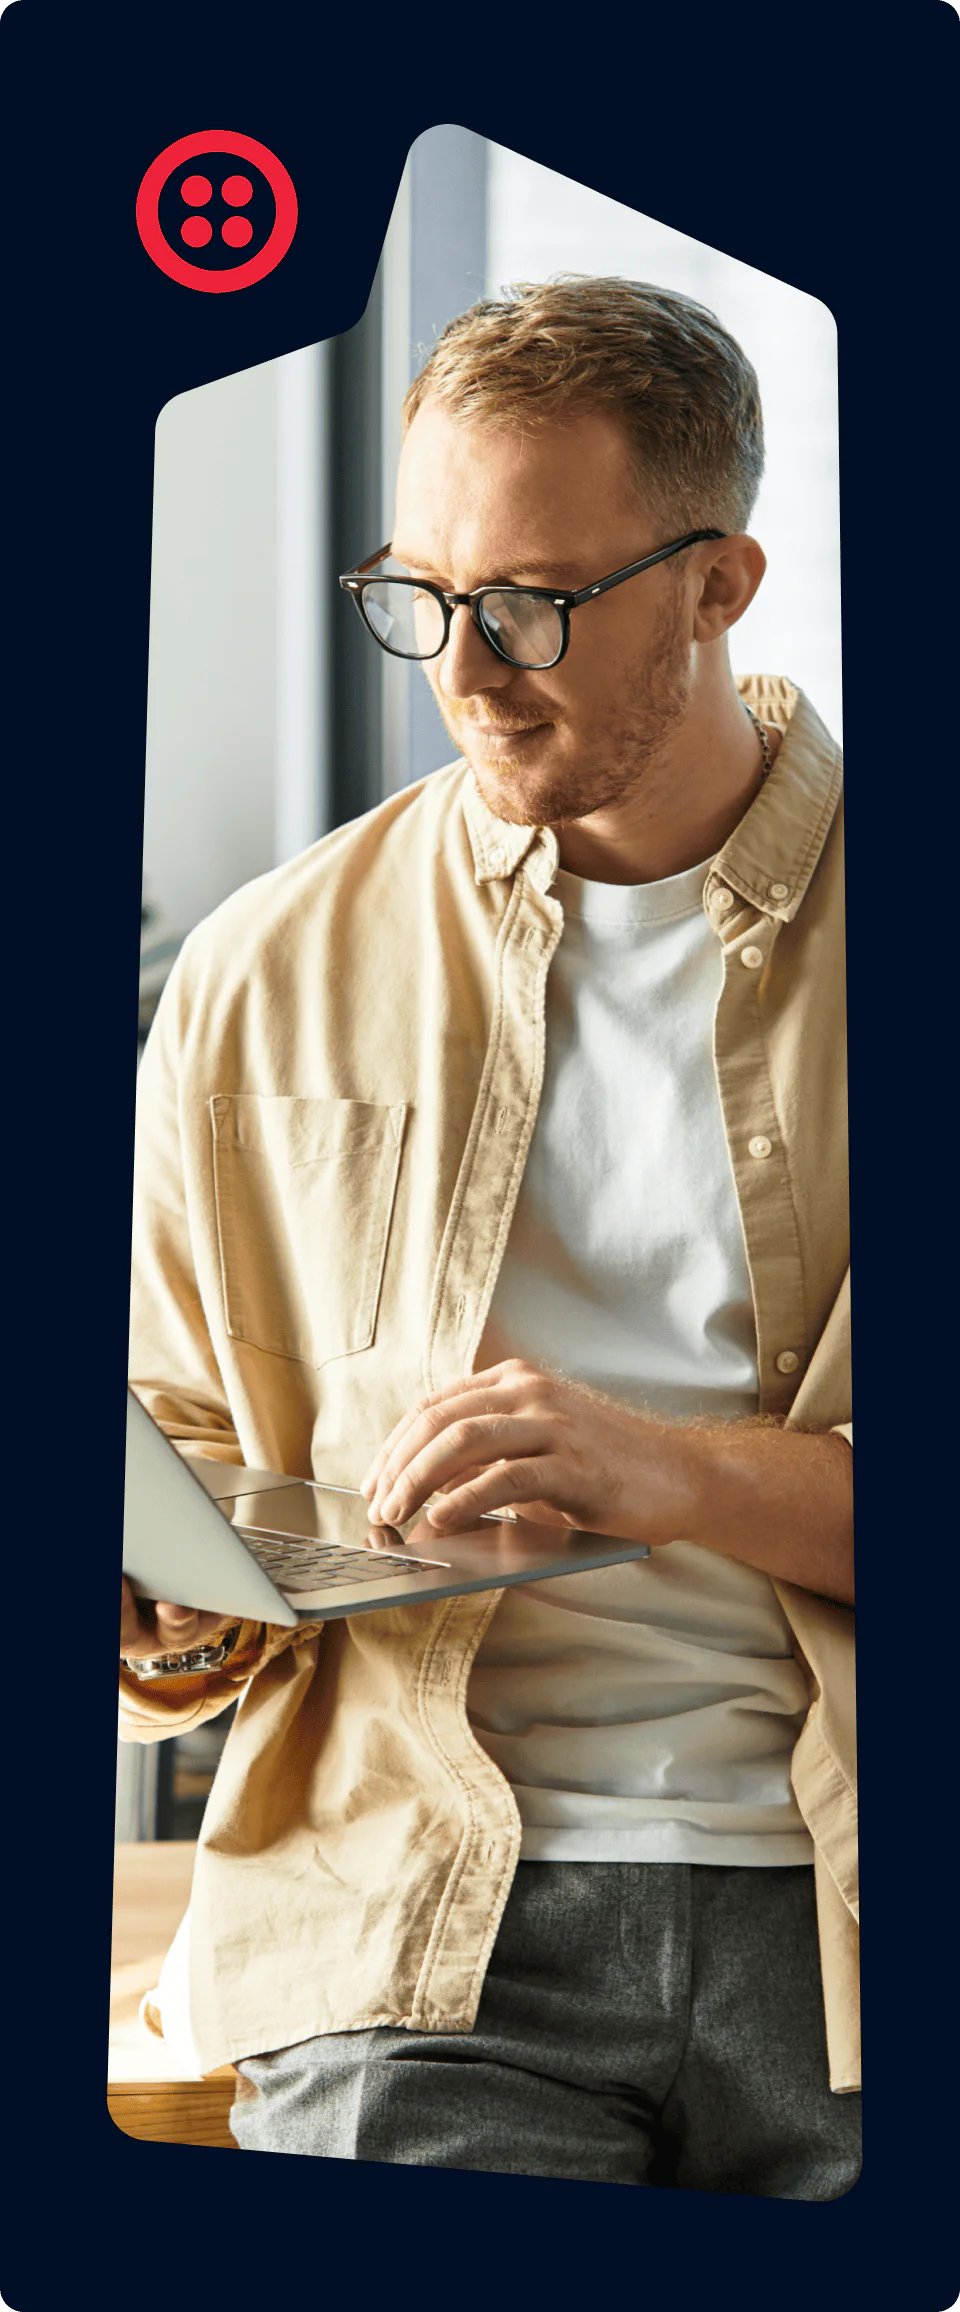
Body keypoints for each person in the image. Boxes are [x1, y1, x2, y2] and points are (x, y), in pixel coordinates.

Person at [120, 276, 858, 2198]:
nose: (464, 665)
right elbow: (171, 1433)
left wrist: (672, 1473)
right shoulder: (264, 977)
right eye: (417, 597)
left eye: (532, 600)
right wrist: (173, 1600)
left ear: (720, 584)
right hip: (420, 1941)